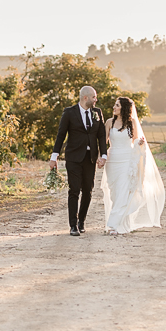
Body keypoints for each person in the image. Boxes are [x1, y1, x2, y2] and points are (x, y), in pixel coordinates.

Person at [100, 97, 166, 235]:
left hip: (127, 160)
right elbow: (103, 143)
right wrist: (100, 157)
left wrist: (140, 143)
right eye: (114, 105)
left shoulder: (132, 123)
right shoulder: (109, 122)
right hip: (112, 161)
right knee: (115, 193)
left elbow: (136, 141)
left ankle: (113, 225)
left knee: (124, 191)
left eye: (117, 105)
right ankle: (121, 222)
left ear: (123, 108)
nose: (114, 107)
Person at [50, 86, 108, 236]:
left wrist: (103, 155)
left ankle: (82, 221)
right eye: (94, 97)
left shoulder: (97, 113)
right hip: (74, 158)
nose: (96, 100)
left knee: (88, 192)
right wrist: (54, 157)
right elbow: (61, 135)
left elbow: (101, 135)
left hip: (90, 159)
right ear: (86, 98)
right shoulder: (69, 113)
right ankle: (73, 225)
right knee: (74, 190)